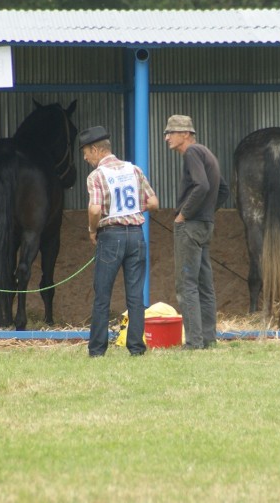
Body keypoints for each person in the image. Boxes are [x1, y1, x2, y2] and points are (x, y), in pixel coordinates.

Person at [80, 125, 159, 357]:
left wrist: (92, 230)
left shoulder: (96, 176)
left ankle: (97, 350)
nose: (85, 157)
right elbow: (153, 203)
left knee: (102, 294)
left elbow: (95, 209)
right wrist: (133, 210)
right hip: (136, 234)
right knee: (135, 295)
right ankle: (136, 348)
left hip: (110, 235)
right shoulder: (134, 170)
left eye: (85, 152)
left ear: (96, 150)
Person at [165, 115, 229, 349]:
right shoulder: (207, 153)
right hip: (205, 226)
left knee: (186, 285)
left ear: (185, 134)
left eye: (171, 132)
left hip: (190, 226)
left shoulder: (192, 153)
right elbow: (223, 189)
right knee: (205, 285)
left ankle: (193, 343)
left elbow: (202, 185)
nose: (166, 138)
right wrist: (207, 212)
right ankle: (209, 339)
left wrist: (184, 214)